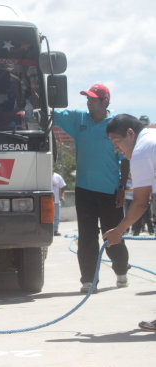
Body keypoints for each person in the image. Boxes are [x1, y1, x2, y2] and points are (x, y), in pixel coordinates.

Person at [55, 83, 130, 293]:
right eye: (87, 99)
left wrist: (123, 187)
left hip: (110, 191)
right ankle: (89, 280)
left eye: (92, 99)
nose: (88, 102)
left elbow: (124, 159)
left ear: (105, 101)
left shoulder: (115, 125)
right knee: (86, 236)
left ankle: (122, 269)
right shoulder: (80, 119)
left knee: (113, 236)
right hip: (84, 190)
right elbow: (52, 112)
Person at [103, 114, 156, 331]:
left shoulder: (142, 151)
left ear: (130, 134)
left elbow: (141, 203)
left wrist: (119, 230)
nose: (116, 149)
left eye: (117, 142)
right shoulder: (151, 137)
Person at [52, 172, 66, 236]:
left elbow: (62, 187)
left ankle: (55, 230)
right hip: (47, 200)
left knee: (56, 217)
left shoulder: (58, 176)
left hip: (56, 201)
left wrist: (62, 196)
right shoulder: (45, 176)